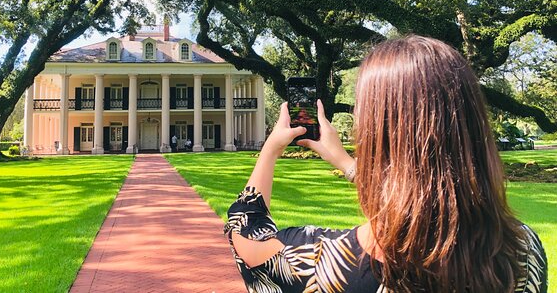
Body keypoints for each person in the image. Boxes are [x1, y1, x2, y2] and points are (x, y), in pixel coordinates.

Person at [224, 35, 547, 293]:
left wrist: (270, 150)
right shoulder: (524, 250)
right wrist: (342, 161)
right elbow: (421, 195)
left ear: (375, 132)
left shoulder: (320, 264)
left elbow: (245, 225)